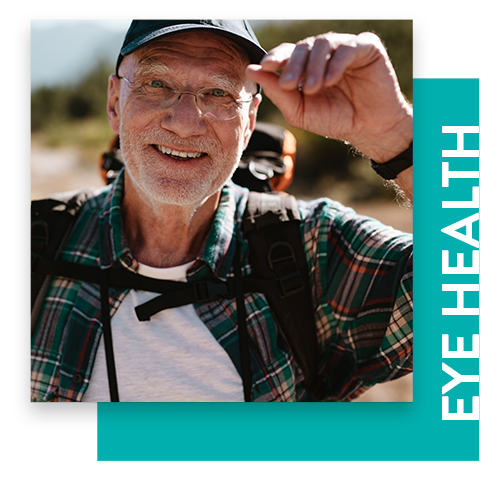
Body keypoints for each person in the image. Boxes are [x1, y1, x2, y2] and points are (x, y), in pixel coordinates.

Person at [30, 19, 413, 402]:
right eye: (157, 84)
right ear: (115, 103)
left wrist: (395, 135)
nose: (184, 124)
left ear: (249, 121)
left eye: (218, 92)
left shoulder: (313, 251)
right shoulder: (40, 243)